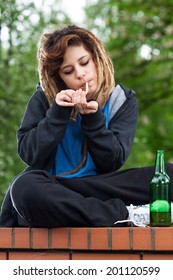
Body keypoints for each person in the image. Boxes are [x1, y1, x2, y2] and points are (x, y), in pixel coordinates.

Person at [0, 24, 173, 228]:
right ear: (60, 78)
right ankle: (127, 213)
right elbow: (29, 154)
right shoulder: (44, 99)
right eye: (68, 71)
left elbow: (112, 162)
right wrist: (57, 114)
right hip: (55, 188)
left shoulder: (122, 100)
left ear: (97, 58)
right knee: (24, 187)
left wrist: (93, 120)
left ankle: (95, 212)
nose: (80, 74)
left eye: (84, 63)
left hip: (100, 188)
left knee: (167, 175)